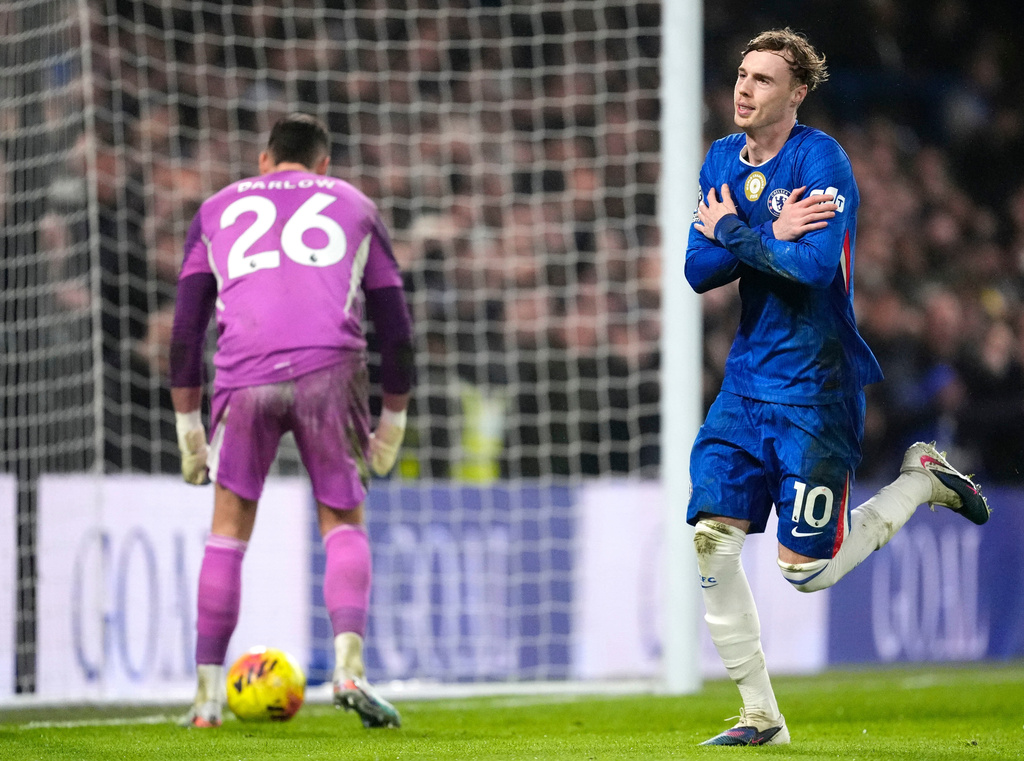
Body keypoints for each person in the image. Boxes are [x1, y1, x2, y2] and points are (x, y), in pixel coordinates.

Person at [685, 29, 990, 747]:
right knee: (711, 539)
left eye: (763, 79)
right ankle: (761, 716)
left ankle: (920, 480)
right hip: (746, 385)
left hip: (817, 387)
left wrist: (738, 230)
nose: (745, 88)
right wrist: (766, 228)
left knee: (807, 572)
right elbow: (699, 268)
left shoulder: (821, 161)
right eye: (742, 74)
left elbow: (814, 268)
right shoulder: (721, 158)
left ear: (797, 93)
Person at [169, 114, 413, 729]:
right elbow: (396, 324)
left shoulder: (216, 208)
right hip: (329, 369)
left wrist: (188, 428)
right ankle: (349, 670)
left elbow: (186, 328)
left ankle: (205, 701)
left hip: (244, 371)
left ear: (264, 159)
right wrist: (393, 421)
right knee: (342, 520)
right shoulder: (354, 204)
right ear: (324, 165)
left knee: (228, 528)